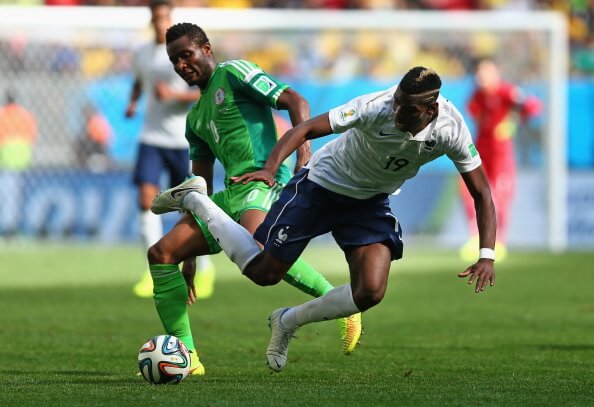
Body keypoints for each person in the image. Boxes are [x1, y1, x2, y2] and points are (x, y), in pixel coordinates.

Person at [152, 66, 497, 372]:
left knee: (371, 291)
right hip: (320, 187)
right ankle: (197, 200)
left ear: (430, 109)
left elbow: (481, 192)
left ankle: (287, 321)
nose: (395, 112)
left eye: (405, 109)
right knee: (264, 273)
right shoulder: (374, 106)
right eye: (395, 101)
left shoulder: (452, 130)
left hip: (369, 203)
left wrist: (486, 254)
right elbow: (303, 129)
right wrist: (270, 170)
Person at [146, 22, 362, 376]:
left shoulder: (234, 73)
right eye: (174, 60)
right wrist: (190, 259)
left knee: (261, 253)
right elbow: (197, 184)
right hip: (229, 193)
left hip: (264, 179)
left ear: (207, 48)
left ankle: (342, 304)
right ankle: (188, 358)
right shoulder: (195, 118)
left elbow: (296, 100)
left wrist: (303, 156)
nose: (182, 65)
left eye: (186, 55)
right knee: (162, 253)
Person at [125, 0, 216, 299]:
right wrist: (134, 101)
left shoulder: (179, 53)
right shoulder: (142, 53)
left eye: (164, 17)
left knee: (195, 204)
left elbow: (202, 92)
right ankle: (152, 270)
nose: (159, 23)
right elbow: (140, 81)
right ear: (150, 18)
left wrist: (172, 94)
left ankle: (203, 269)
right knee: (145, 198)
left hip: (183, 140)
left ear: (170, 17)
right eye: (155, 18)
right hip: (151, 137)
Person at [459, 58, 542, 262]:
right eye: (479, 71)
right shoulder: (477, 96)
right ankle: (475, 237)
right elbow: (474, 112)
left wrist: (513, 121)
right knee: (468, 190)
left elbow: (533, 107)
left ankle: (499, 241)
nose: (481, 76)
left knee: (502, 197)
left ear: (497, 72)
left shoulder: (507, 92)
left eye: (486, 71)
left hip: (501, 154)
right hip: (481, 152)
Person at [0, 90, 37, 237]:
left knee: (8, 194)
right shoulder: (26, 115)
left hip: (6, 158)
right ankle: (11, 225)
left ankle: (8, 227)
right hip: (22, 158)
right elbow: (32, 136)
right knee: (14, 195)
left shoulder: (2, 115)